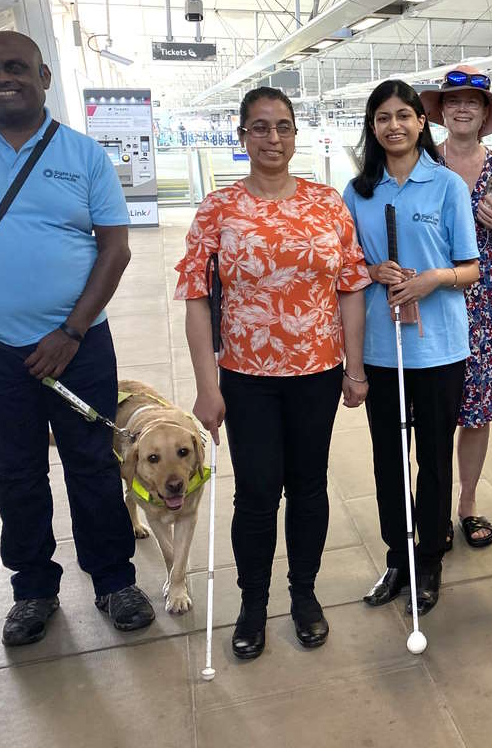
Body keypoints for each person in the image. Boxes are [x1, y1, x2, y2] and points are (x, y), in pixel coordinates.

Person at [0, 31, 154, 646]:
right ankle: (33, 589)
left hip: (80, 348)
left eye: (15, 66)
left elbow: (115, 250)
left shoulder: (83, 154)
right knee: (16, 474)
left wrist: (71, 331)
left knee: (93, 467)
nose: (2, 77)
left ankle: (114, 580)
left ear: (43, 76)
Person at [175, 86, 369, 660]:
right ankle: (252, 603)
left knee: (309, 487)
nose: (273, 138)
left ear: (295, 133)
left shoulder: (327, 203)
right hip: (246, 373)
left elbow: (351, 287)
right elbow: (195, 297)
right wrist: (207, 387)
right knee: (258, 493)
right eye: (260, 128)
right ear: (242, 136)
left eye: (282, 126)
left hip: (316, 371)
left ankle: (303, 594)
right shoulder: (219, 208)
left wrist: (354, 369)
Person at [344, 80, 480, 616]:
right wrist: (372, 269)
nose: (394, 125)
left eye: (404, 115)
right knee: (387, 458)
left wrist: (429, 280)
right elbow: (347, 266)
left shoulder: (445, 185)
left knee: (434, 459)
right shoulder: (359, 191)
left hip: (440, 348)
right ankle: (397, 557)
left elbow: (470, 268)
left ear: (422, 123)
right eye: (382, 117)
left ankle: (430, 560)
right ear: (372, 127)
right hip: (381, 348)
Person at [421, 65, 492, 550]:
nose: (462, 109)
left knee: (476, 410)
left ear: (484, 114)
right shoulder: (421, 163)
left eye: (472, 103)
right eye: (453, 101)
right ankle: (431, 507)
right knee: (434, 410)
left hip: (485, 299)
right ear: (440, 112)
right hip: (432, 294)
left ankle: (468, 503)